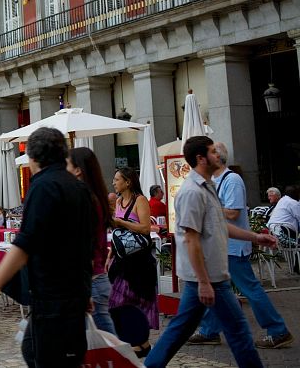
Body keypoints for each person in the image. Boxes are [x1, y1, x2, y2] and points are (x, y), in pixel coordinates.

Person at [145, 136, 278, 368]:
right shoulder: (192, 192)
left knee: (180, 331)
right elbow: (191, 240)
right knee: (238, 332)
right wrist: (205, 282)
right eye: (213, 152)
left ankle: (151, 365)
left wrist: (256, 237)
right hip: (208, 278)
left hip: (209, 277)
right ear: (201, 158)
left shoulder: (208, 187)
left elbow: (220, 225)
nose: (219, 155)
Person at [0, 128, 94, 366]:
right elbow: (85, 244)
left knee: (47, 358)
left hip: (52, 296)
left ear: (33, 157)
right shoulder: (79, 188)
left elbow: (25, 243)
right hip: (73, 293)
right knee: (33, 350)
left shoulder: (43, 187)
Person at [188, 142, 293, 349]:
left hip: (232, 246)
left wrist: (207, 207)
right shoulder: (215, 180)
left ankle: (277, 330)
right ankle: (209, 330)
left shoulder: (232, 180)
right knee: (218, 287)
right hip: (222, 245)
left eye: (210, 153)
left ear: (217, 157)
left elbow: (234, 212)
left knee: (249, 288)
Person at [66, 147, 116, 335]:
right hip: (95, 279)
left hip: (92, 281)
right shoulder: (93, 197)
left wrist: (84, 288)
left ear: (78, 170)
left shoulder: (86, 199)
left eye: (67, 164)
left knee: (108, 346)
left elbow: (85, 245)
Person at [108, 167, 158, 333]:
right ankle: (132, 337)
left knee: (137, 300)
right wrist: (110, 255)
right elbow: (118, 234)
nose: (114, 183)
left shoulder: (140, 200)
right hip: (122, 260)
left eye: (117, 179)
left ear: (128, 182)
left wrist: (122, 222)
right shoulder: (118, 201)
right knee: (117, 300)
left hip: (139, 260)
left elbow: (145, 228)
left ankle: (139, 340)